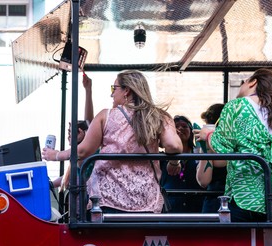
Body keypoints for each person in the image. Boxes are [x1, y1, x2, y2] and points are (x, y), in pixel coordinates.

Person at [42, 70, 183, 214]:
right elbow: (173, 145)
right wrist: (174, 162)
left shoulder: (106, 116)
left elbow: (83, 151)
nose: (111, 94)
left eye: (113, 88)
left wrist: (56, 155)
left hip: (108, 201)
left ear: (126, 91)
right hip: (146, 201)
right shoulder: (159, 116)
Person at [194, 68, 272, 222]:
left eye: (244, 82)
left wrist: (208, 135)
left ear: (253, 82)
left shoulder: (236, 106)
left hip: (245, 198)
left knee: (242, 244)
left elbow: (222, 147)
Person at [51, 72, 94, 189]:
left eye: (71, 132)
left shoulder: (86, 155)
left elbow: (90, 123)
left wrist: (56, 155)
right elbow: (66, 177)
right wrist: (51, 184)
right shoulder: (75, 161)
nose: (69, 135)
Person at [160, 115, 203, 213]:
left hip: (195, 207)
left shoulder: (199, 155)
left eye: (184, 126)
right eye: (176, 127)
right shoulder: (162, 157)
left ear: (191, 132)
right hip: (170, 208)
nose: (180, 129)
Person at [196, 103, 227, 213]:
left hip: (230, 201)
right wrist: (207, 145)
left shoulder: (234, 142)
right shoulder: (207, 144)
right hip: (214, 201)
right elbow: (203, 181)